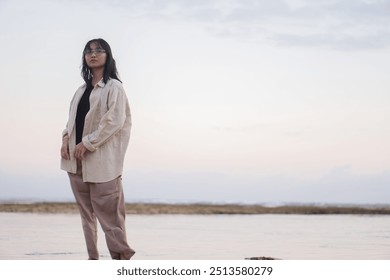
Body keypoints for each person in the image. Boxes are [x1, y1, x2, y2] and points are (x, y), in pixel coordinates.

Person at [60, 38, 135, 260]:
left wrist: (88, 143)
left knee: (111, 219)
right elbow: (71, 122)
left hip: (103, 164)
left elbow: (114, 122)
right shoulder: (80, 90)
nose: (93, 54)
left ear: (107, 56)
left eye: (99, 50)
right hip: (76, 162)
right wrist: (65, 140)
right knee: (86, 216)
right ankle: (93, 261)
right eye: (89, 51)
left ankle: (121, 261)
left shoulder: (114, 88)